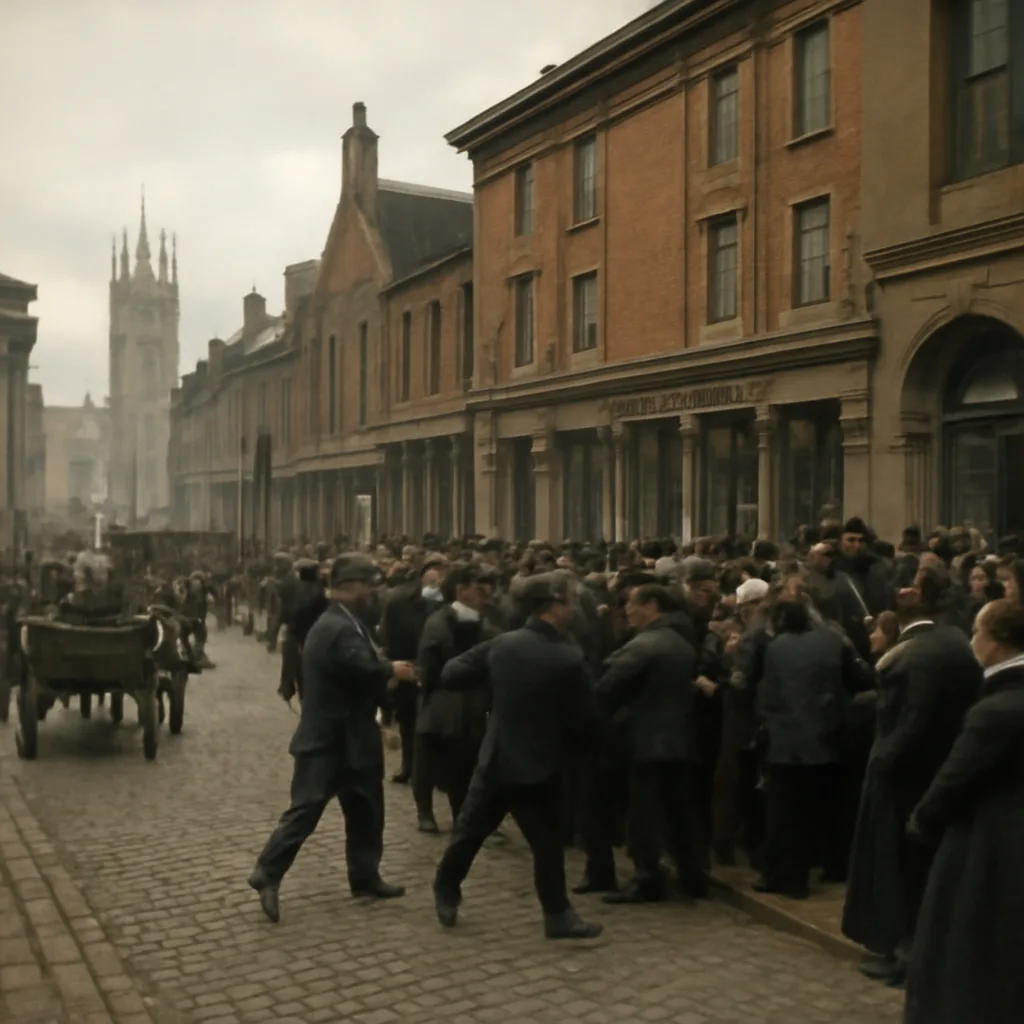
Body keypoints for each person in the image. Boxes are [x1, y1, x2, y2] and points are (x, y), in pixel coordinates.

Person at [432, 571, 603, 940]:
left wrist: (493, 689)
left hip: (497, 759)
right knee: (546, 846)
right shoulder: (568, 656)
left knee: (469, 833)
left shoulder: (502, 645)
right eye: (568, 602)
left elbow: (451, 674)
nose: (573, 609)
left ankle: (446, 889)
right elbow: (587, 719)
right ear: (551, 607)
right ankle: (558, 915)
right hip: (542, 765)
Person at [247, 555, 418, 923]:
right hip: (328, 740)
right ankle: (267, 874)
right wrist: (393, 670)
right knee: (305, 811)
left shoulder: (344, 621)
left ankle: (365, 877)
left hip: (352, 737)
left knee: (366, 812)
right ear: (352, 586)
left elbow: (362, 660)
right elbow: (362, 666)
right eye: (367, 585)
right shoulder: (337, 627)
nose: (372, 591)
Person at [841, 564, 982, 987]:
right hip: (930, 772)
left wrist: (885, 762)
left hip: (903, 781)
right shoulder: (950, 640)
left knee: (900, 869)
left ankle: (906, 955)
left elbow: (912, 723)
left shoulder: (919, 654)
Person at [904, 599, 1024, 1024]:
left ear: (995, 642)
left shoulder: (995, 711)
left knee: (966, 939)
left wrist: (922, 819)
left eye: (977, 631)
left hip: (988, 840)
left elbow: (952, 780)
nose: (973, 639)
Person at [597, 583, 708, 903]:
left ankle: (647, 879)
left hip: (648, 739)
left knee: (645, 814)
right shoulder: (680, 640)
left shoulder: (646, 644)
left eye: (632, 603)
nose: (626, 610)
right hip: (679, 737)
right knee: (681, 811)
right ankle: (692, 875)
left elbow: (607, 688)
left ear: (651, 605)